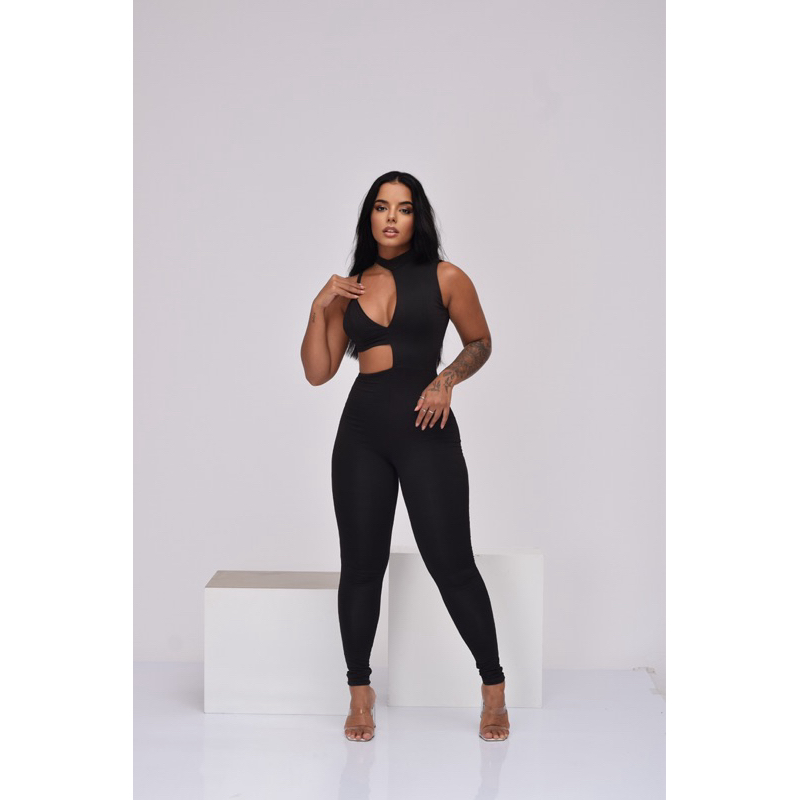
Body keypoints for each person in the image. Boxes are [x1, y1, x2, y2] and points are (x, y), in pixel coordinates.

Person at [300, 171, 510, 742]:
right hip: (361, 434)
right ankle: (359, 693)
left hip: (426, 430)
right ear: (369, 216)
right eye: (381, 206)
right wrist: (320, 308)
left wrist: (446, 380)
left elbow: (480, 341)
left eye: (404, 208)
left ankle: (493, 688)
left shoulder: (446, 276)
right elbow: (318, 373)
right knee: (360, 568)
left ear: (419, 218)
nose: (391, 217)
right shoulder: (349, 289)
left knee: (452, 564)